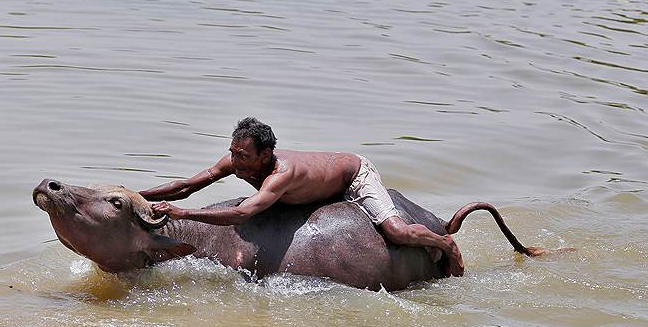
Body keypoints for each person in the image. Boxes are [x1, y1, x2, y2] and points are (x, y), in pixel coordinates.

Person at [141, 117, 464, 276]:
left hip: (352, 176)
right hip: (316, 187)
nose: (233, 162)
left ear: (265, 154)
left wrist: (184, 214)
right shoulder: (237, 161)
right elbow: (187, 185)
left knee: (396, 231)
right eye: (232, 153)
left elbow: (243, 214)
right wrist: (137, 196)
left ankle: (442, 243)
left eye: (241, 156)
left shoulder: (282, 174)